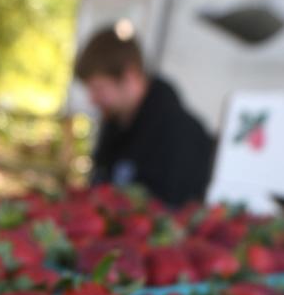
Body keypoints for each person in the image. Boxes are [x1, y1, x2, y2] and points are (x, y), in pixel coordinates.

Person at [74, 25, 214, 207]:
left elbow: (173, 216)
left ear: (130, 76)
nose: (92, 100)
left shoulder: (181, 135)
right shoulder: (115, 127)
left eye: (99, 88)